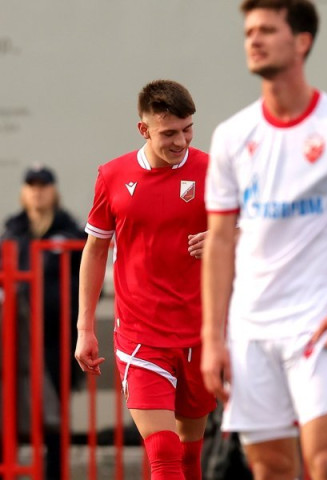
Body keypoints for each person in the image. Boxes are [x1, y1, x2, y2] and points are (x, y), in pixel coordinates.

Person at [200, 1, 327, 479]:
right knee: (270, 469)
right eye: (249, 30)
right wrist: (213, 337)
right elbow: (219, 241)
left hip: (320, 327)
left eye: (268, 29)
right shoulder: (232, 136)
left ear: (302, 42)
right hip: (250, 330)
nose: (253, 39)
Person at [74, 79, 215, 480]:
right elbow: (95, 250)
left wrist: (228, 237)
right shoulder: (113, 176)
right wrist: (85, 328)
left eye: (188, 129)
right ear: (144, 130)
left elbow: (255, 229)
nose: (181, 141)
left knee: (189, 457)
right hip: (141, 335)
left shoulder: (213, 170)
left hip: (199, 333)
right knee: (164, 451)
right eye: (169, 132)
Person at [0, 165, 85, 480]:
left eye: (44, 185)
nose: (37, 191)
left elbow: (88, 273)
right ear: (24, 191)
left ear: (54, 190)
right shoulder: (12, 231)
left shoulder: (71, 231)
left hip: (56, 337)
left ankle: (54, 473)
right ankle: (10, 467)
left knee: (54, 410)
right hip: (17, 338)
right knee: (9, 406)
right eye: (32, 185)